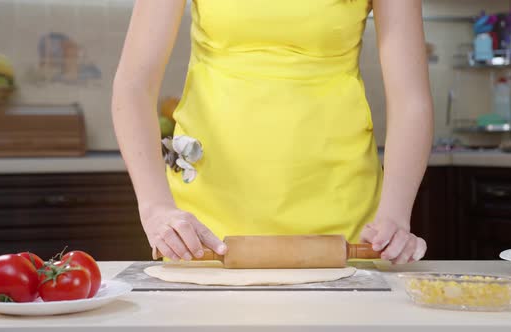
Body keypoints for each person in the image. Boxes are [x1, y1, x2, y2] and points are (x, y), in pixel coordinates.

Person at [112, 0, 432, 265]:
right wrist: (156, 206)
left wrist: (395, 214)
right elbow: (133, 86)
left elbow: (411, 101)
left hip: (341, 221)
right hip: (206, 229)